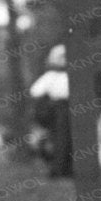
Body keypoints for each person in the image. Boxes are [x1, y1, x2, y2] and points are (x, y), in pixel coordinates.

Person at [29, 44, 72, 179]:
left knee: (69, 140)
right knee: (60, 140)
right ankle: (58, 170)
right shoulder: (51, 76)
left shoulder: (71, 74)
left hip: (72, 108)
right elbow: (35, 91)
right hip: (59, 110)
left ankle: (67, 169)